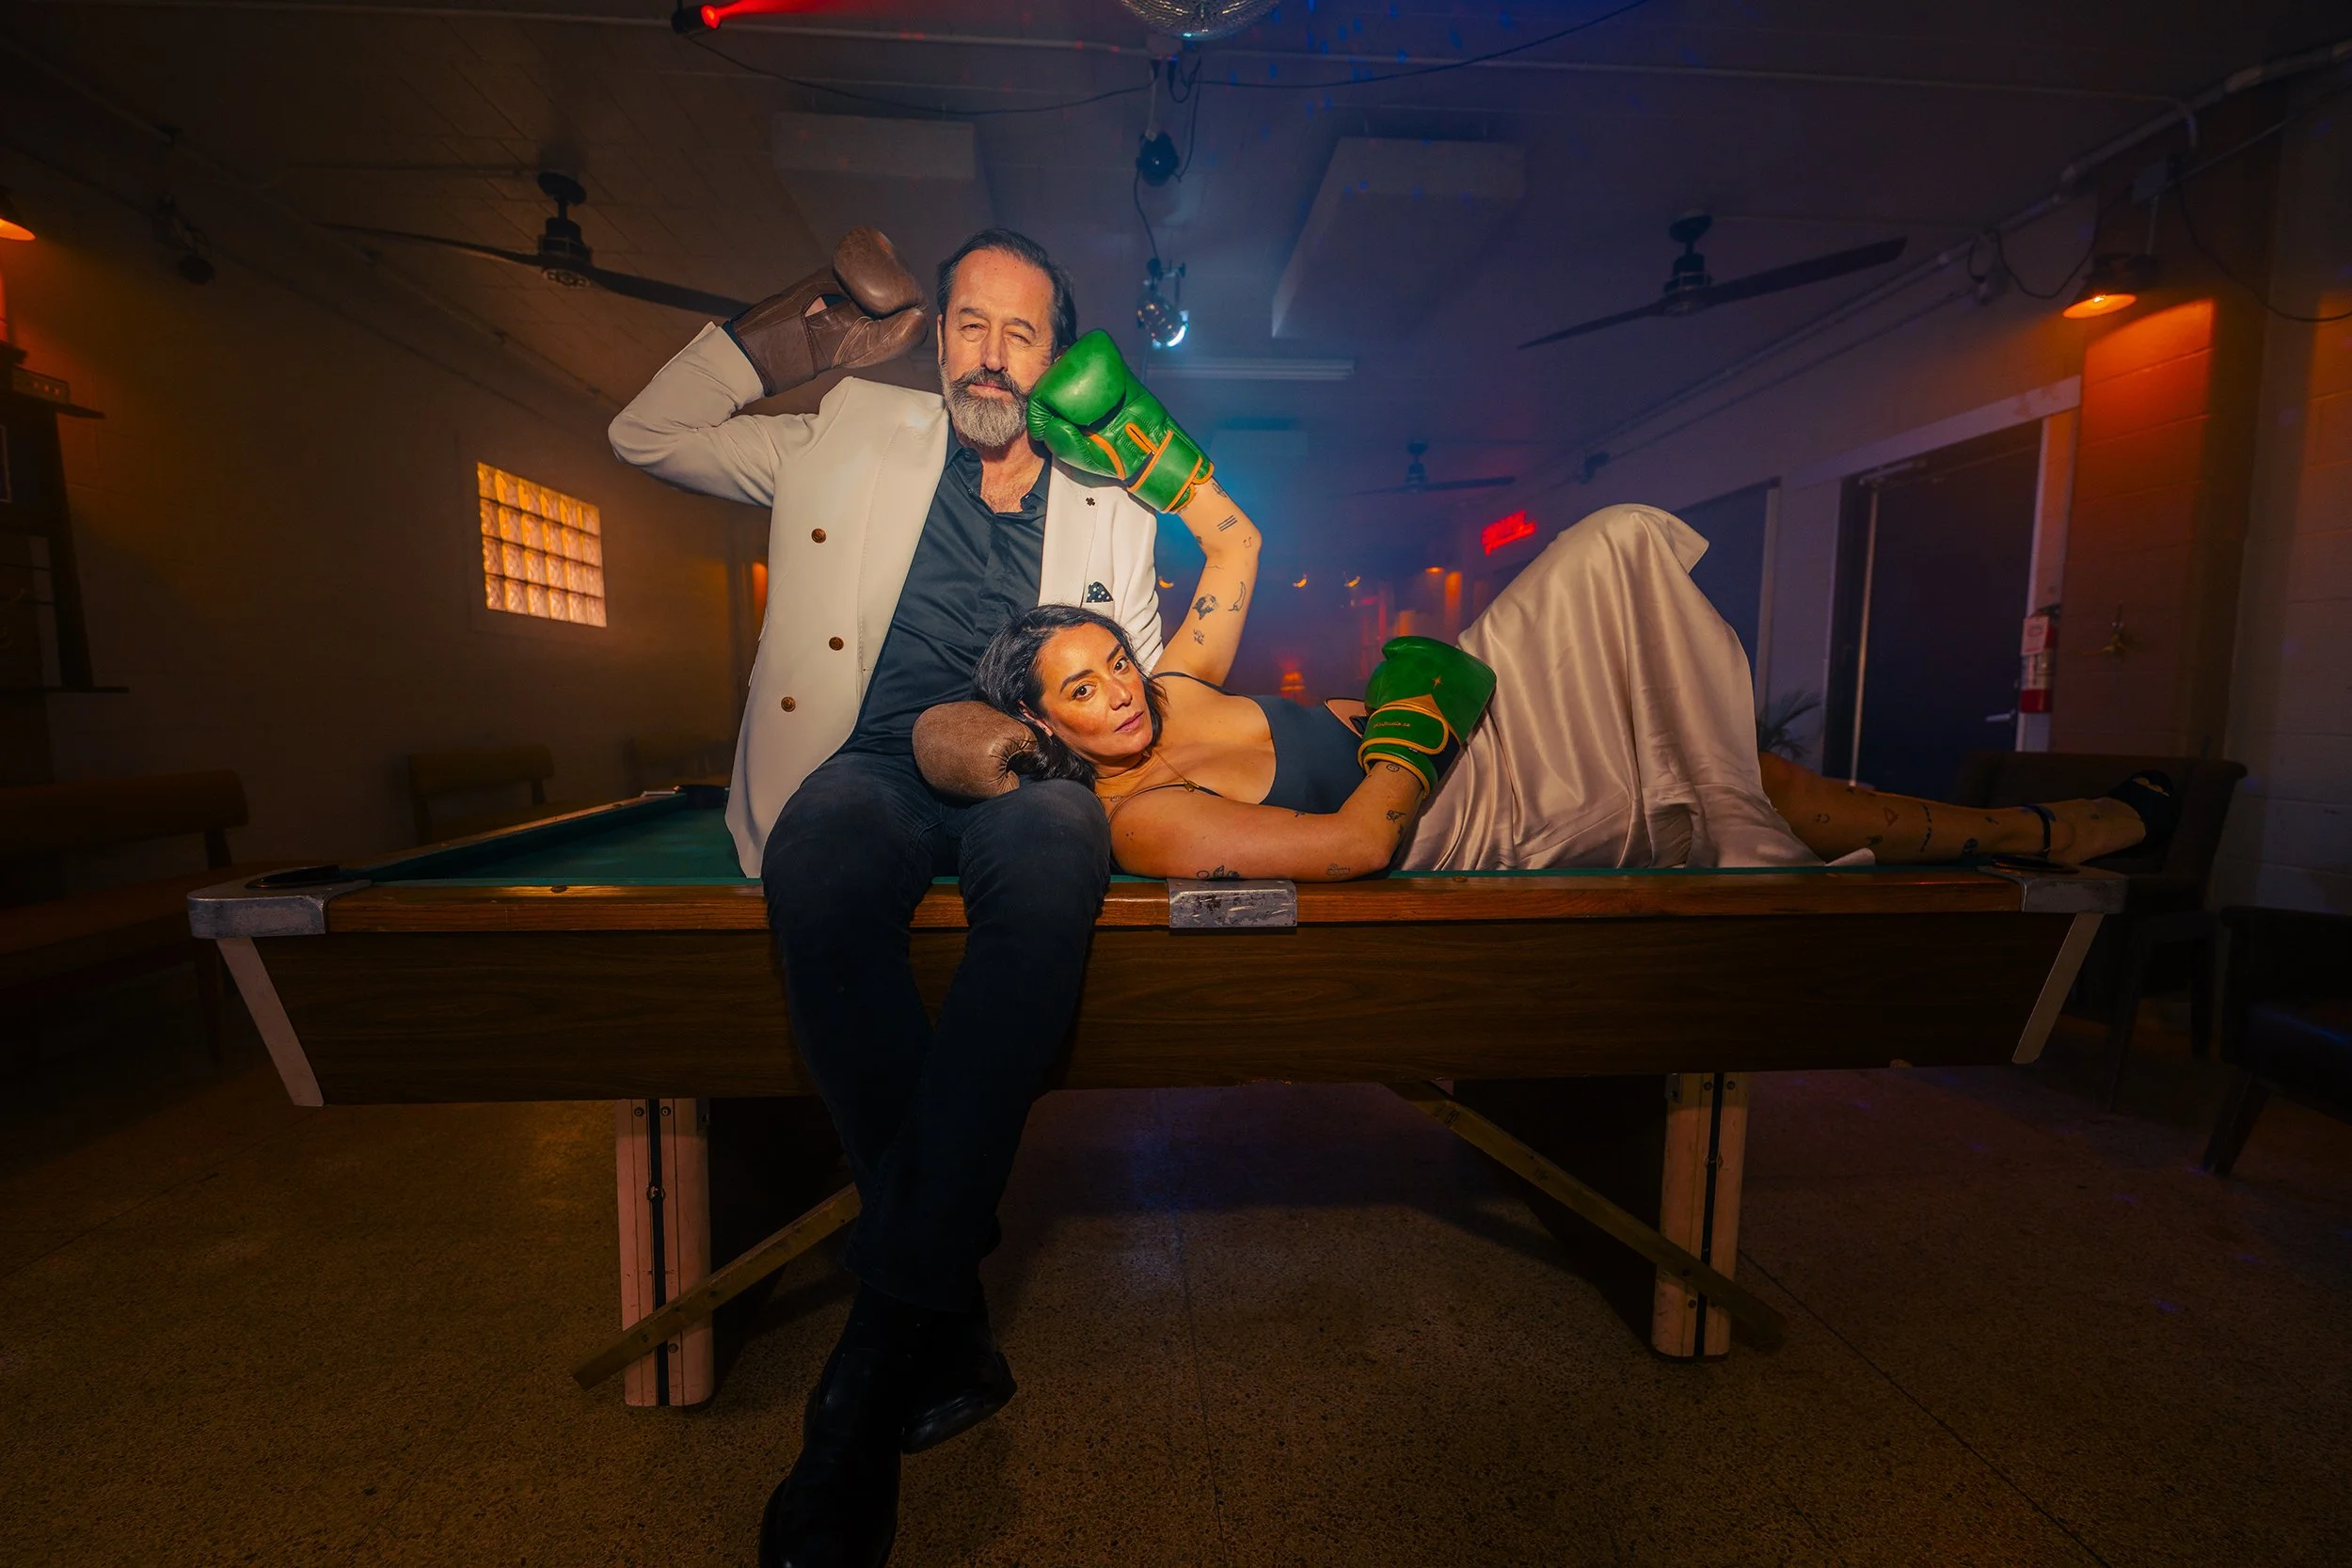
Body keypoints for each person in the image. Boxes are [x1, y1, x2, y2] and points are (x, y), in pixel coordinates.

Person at [609, 228, 1216, 1568]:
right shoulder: (843, 426)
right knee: (817, 862)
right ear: (937, 334)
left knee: (1062, 858)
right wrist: (804, 326)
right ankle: (925, 1326)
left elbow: (1151, 692)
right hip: (867, 765)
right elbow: (644, 431)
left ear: (1063, 357)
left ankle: (860, 1389)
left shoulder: (1116, 499)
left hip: (1034, 774)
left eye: (1024, 332)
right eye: (969, 325)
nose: (993, 357)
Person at [923, 333, 2169, 879]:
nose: (1121, 688)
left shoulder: (1175, 686)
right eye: (1082, 689)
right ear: (1049, 731)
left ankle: (2045, 833)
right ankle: (2047, 834)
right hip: (1460, 803)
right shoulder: (1144, 823)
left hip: (1466, 718)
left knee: (1618, 545)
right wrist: (1414, 729)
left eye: (1114, 661)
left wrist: (1129, 438)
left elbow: (1235, 536)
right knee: (1750, 786)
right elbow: (1358, 849)